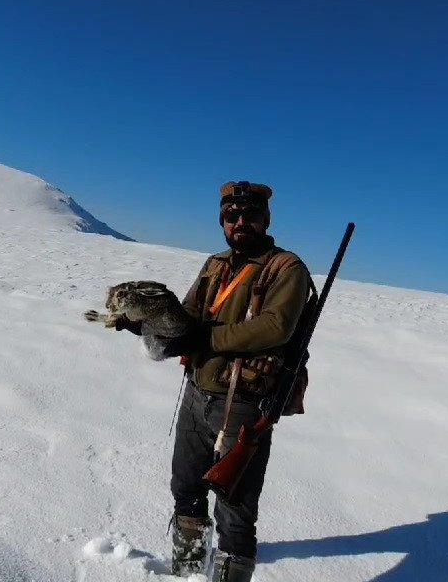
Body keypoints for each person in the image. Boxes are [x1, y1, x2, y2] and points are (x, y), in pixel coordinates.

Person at [121, 181, 311, 581]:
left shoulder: (286, 268)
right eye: (231, 215)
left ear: (265, 219)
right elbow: (188, 317)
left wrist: (205, 338)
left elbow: (275, 327)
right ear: (222, 220)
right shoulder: (215, 264)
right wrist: (145, 324)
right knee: (185, 490)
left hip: (243, 404)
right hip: (196, 394)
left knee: (235, 511)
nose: (240, 222)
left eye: (250, 215)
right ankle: (187, 573)